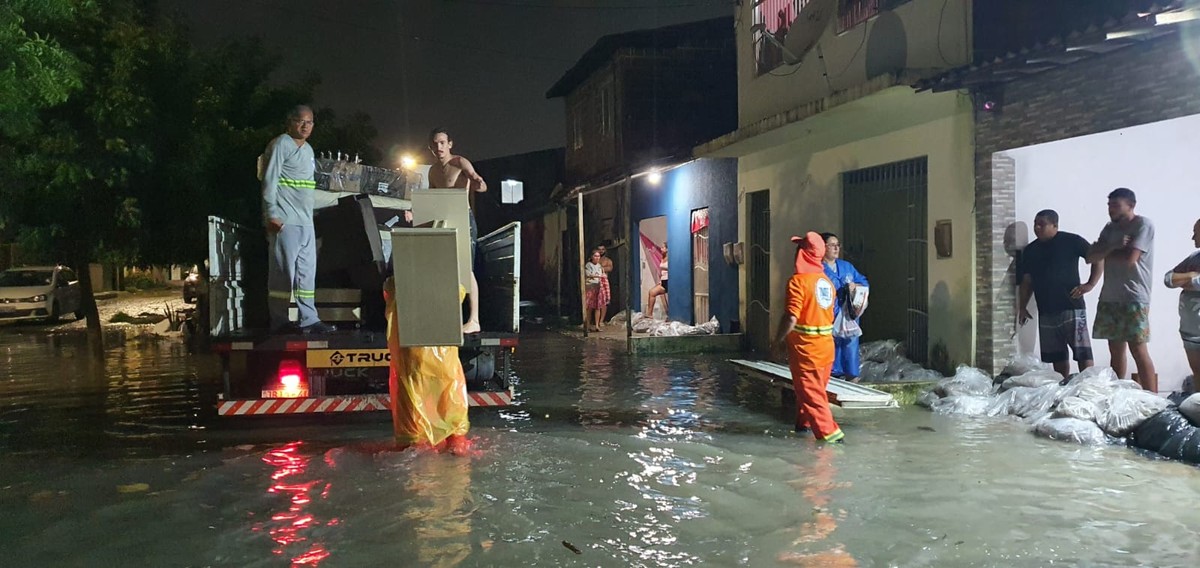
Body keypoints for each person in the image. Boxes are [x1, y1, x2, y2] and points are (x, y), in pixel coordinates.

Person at [260, 105, 334, 334]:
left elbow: (308, 187)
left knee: (306, 272)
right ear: (290, 122)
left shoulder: (309, 150)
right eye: (300, 121)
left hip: (305, 222)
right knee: (283, 273)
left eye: (309, 122)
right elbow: (269, 180)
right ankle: (280, 320)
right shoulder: (280, 144)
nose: (305, 126)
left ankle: (309, 318)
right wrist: (271, 214)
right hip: (286, 220)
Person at [772, 232, 844, 443]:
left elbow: (792, 317)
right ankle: (803, 427)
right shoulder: (826, 282)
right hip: (825, 350)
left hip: (807, 351)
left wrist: (778, 341)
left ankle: (834, 440)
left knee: (813, 398)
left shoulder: (798, 282)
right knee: (813, 392)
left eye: (799, 248)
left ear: (803, 253)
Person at [1016, 210, 1103, 379]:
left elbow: (1098, 258)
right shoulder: (1031, 250)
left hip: (1072, 306)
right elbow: (1027, 281)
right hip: (1046, 310)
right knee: (1056, 355)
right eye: (1035, 224)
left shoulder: (1071, 241)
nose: (1037, 227)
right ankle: (1061, 386)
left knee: (1082, 352)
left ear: (1055, 225)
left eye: (1042, 224)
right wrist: (1022, 306)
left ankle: (1088, 385)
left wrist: (1090, 284)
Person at [1087, 187, 1157, 391]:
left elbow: (1130, 260)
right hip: (1109, 296)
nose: (1110, 210)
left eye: (1115, 205)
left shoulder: (1143, 225)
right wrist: (1113, 246)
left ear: (1131, 205)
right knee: (1115, 350)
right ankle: (1117, 394)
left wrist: (1104, 251)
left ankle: (1153, 398)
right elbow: (1091, 257)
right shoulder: (1109, 228)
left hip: (1134, 296)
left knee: (1138, 348)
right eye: (1109, 205)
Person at [427, 128, 487, 334]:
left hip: (463, 218)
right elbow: (431, 199)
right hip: (444, 220)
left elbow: (477, 180)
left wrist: (478, 182)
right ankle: (448, 316)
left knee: (465, 268)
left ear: (450, 144)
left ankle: (474, 319)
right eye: (435, 144)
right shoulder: (433, 171)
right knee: (445, 269)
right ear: (430, 147)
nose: (439, 147)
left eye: (442, 143)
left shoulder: (460, 162)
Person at [819, 233, 869, 382]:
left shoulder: (846, 267)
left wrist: (856, 286)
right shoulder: (818, 269)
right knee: (831, 345)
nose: (836, 248)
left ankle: (852, 375)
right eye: (832, 245)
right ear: (823, 247)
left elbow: (863, 282)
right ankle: (832, 376)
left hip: (847, 314)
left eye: (838, 245)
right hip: (829, 314)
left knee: (850, 343)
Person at [1163, 218, 1200, 389]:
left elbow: (1196, 283)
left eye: (1196, 232)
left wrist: (1186, 280)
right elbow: (1169, 279)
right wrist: (1190, 275)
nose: (1193, 237)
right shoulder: (1194, 258)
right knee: (1198, 374)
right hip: (1189, 330)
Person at [646, 242, 669, 320]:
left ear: (667, 249)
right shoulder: (663, 257)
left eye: (663, 247)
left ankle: (650, 314)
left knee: (653, 292)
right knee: (651, 292)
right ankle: (649, 314)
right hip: (663, 280)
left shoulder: (670, 258)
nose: (661, 249)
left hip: (668, 281)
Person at [584, 250, 605, 332]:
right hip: (590, 288)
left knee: (598, 307)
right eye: (595, 256)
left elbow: (601, 275)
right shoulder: (588, 265)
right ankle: (588, 325)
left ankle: (597, 325)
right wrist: (598, 276)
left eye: (598, 256)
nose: (597, 258)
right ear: (592, 257)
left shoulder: (599, 266)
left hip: (598, 287)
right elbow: (588, 274)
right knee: (589, 307)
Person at [597, 242, 614, 326]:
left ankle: (601, 320)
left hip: (604, 282)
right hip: (594, 282)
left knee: (604, 302)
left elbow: (610, 268)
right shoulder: (593, 259)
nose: (601, 251)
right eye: (599, 249)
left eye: (602, 249)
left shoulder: (608, 260)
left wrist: (599, 268)